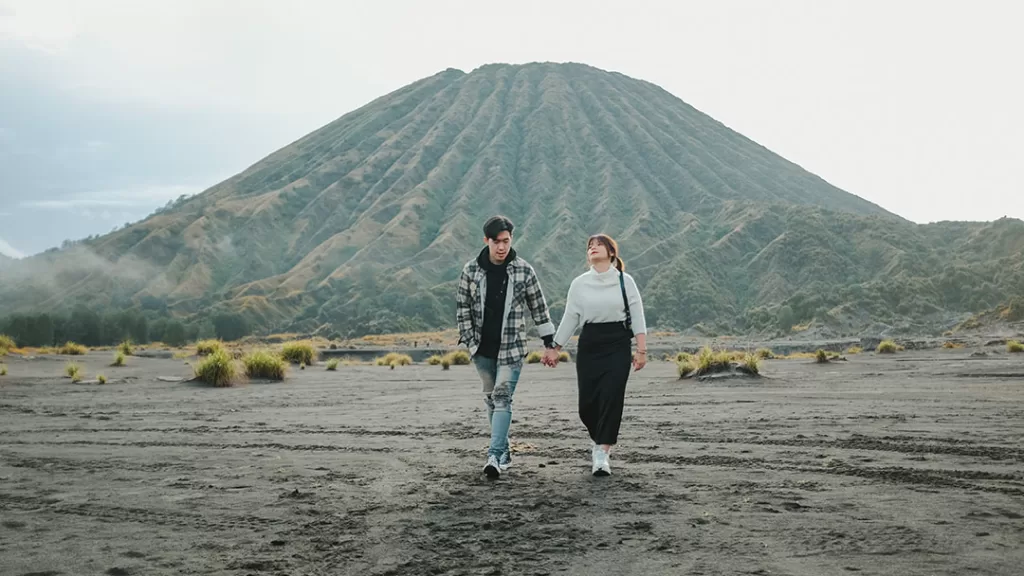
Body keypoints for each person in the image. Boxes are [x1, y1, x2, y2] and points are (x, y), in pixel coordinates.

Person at [456, 215, 557, 479]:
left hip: (511, 349)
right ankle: (504, 452)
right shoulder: (471, 271)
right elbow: (462, 308)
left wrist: (550, 343)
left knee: (502, 398)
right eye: (496, 241)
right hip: (482, 350)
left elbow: (539, 308)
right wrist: (470, 341)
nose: (502, 247)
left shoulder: (524, 270)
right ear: (486, 241)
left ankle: (493, 456)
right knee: (491, 400)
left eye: (506, 241)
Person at [544, 233, 647, 476]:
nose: (593, 248)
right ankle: (598, 437)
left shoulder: (625, 281)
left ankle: (602, 453)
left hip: (618, 343)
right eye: (590, 246)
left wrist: (641, 350)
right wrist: (555, 348)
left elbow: (638, 316)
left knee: (611, 397)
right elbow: (571, 317)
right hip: (590, 344)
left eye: (599, 245)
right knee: (587, 404)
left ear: (611, 252)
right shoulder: (579, 284)